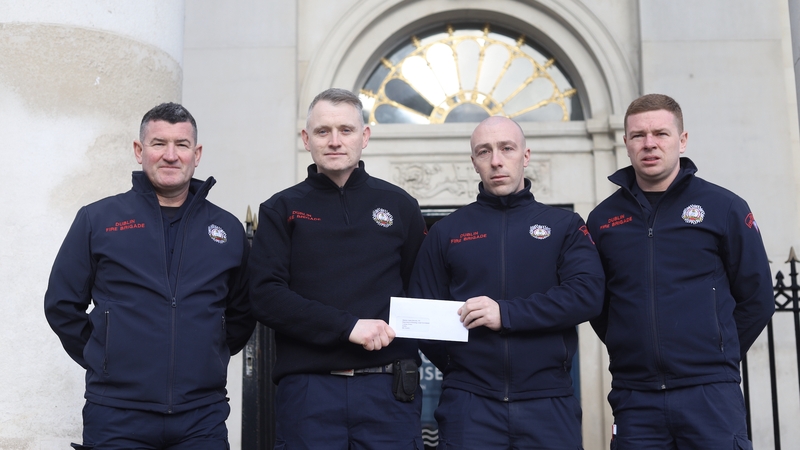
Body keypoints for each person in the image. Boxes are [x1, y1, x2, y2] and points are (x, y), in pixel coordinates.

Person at [44, 102, 255, 450]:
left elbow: (243, 312)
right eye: (158, 143)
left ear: (197, 154)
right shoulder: (98, 220)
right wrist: (106, 356)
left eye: (181, 145)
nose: (170, 155)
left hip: (201, 418)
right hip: (116, 416)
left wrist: (208, 354)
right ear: (139, 151)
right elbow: (62, 306)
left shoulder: (227, 229)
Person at [586, 93, 774, 449]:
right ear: (625, 143)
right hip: (635, 396)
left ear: (682, 140)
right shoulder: (603, 220)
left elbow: (758, 297)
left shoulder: (724, 207)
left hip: (709, 394)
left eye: (661, 133)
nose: (649, 143)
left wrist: (717, 353)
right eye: (638, 135)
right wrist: (630, 346)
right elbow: (599, 303)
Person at [409, 116, 605, 449]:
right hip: (469, 404)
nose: (496, 160)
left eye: (506, 148)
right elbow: (423, 314)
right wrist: (462, 366)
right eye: (484, 151)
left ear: (525, 155)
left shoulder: (564, 225)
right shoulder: (446, 232)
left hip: (548, 400)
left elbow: (587, 295)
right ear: (474, 162)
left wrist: (506, 314)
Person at [248, 88, 428, 449]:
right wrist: (348, 327)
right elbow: (265, 297)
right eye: (322, 131)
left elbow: (421, 291)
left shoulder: (401, 206)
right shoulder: (280, 209)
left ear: (364, 137)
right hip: (309, 392)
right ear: (306, 139)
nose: (334, 141)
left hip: (388, 389)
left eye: (345, 130)